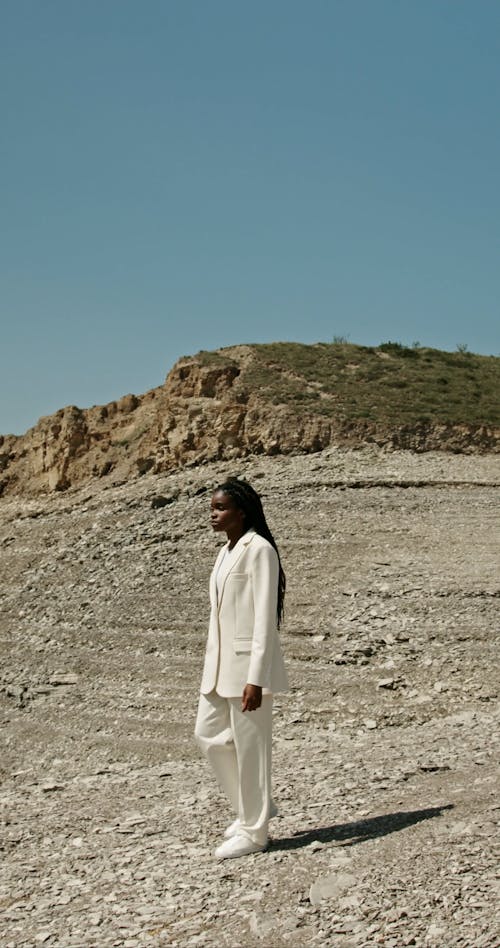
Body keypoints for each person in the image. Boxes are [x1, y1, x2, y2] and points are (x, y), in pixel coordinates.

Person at [194, 477, 289, 859]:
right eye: (211, 509)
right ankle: (255, 809)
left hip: (248, 671)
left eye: (220, 508)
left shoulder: (259, 550)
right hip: (218, 669)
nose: (212, 515)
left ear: (242, 512)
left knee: (252, 750)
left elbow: (265, 618)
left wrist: (256, 678)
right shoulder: (224, 552)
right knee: (208, 736)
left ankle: (255, 833)